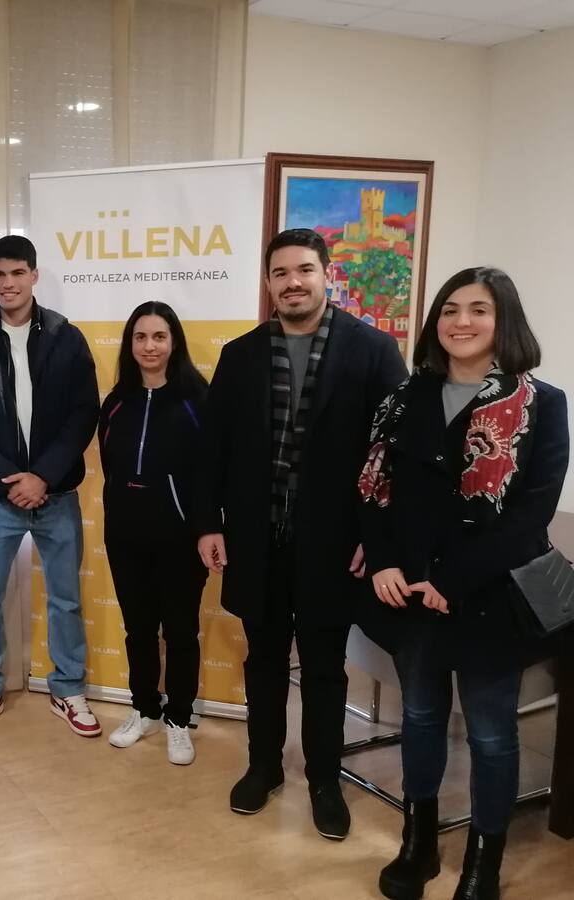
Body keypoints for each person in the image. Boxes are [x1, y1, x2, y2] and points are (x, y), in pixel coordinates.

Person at [358, 267, 568, 900]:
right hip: (412, 591)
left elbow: (532, 515)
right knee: (421, 717)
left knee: (491, 733)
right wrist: (384, 560)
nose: (461, 321)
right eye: (450, 309)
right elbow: (375, 489)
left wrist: (453, 578)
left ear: (504, 321)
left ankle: (484, 862)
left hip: (489, 596)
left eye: (479, 309)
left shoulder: (543, 403)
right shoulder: (403, 397)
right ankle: (417, 844)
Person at [194, 228, 406, 838]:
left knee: (323, 668)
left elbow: (393, 453)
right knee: (262, 660)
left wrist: (378, 537)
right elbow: (213, 449)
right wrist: (208, 522)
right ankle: (263, 766)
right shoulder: (240, 355)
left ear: (326, 275)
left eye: (305, 270)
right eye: (281, 273)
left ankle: (323, 779)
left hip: (334, 543)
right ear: (268, 282)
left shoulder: (373, 351)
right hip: (255, 538)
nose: (293, 283)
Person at [0, 234, 100, 739]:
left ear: (34, 275)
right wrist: (10, 480)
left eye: (17, 273)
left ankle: (67, 688)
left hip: (56, 495)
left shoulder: (66, 338)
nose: (8, 283)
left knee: (65, 599)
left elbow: (84, 413)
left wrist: (43, 476)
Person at [99, 301, 209, 764]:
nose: (149, 346)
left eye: (159, 336)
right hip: (126, 537)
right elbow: (110, 465)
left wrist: (204, 527)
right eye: (140, 337)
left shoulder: (197, 400)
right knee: (138, 630)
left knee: (181, 632)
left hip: (181, 539)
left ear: (174, 342)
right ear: (130, 344)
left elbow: (210, 472)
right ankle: (144, 709)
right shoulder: (115, 402)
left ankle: (179, 718)